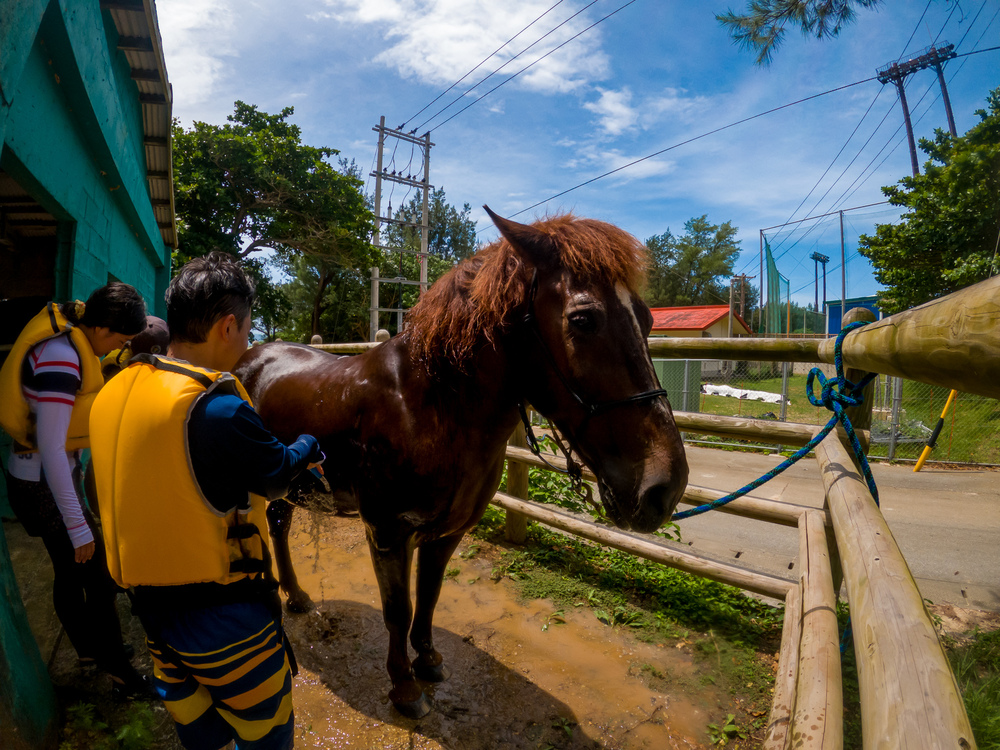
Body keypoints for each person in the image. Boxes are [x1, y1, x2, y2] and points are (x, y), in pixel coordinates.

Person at [90, 252, 324, 750]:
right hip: (226, 624)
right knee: (266, 738)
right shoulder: (217, 408)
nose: (247, 342)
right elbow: (278, 475)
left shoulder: (114, 392)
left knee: (203, 740)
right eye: (246, 330)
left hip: (153, 618)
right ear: (227, 326)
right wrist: (308, 446)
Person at [0, 282, 150, 698]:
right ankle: (119, 671)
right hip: (42, 484)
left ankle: (88, 651)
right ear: (100, 328)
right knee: (99, 579)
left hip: (39, 478)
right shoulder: (62, 358)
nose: (114, 349)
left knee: (69, 571)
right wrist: (77, 524)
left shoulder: (72, 344)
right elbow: (50, 446)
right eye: (119, 339)